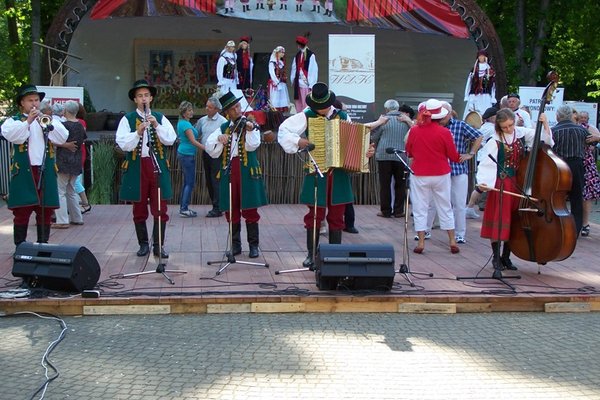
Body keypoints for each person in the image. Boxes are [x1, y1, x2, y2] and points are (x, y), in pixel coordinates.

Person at [278, 82, 374, 268]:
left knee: (337, 215)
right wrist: (300, 141)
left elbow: (353, 142)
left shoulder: (343, 116)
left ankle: (335, 255)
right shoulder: (305, 116)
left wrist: (366, 152)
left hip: (338, 173)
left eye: (322, 107)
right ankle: (311, 254)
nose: (320, 110)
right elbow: (283, 131)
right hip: (316, 171)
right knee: (315, 214)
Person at [476, 108, 553, 272]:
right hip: (502, 185)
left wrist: (545, 123)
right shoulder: (494, 140)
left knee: (515, 221)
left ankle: (506, 257)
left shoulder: (522, 133)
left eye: (510, 125)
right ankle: (496, 258)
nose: (508, 129)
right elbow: (486, 163)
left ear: (515, 121)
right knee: (500, 221)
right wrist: (483, 182)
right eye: (504, 127)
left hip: (519, 183)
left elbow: (546, 141)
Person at [1, 84, 69, 247]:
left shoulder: (48, 120)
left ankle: (42, 244)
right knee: (22, 210)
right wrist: (29, 121)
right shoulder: (13, 121)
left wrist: (45, 122)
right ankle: (21, 246)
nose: (34, 104)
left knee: (45, 210)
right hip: (24, 171)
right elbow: (13, 136)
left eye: (36, 100)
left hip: (45, 170)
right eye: (30, 100)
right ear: (22, 103)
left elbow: (62, 137)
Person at [116, 79, 177, 259]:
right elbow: (123, 143)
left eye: (146, 96)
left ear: (151, 98)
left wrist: (156, 126)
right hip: (137, 166)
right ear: (135, 99)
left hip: (157, 166)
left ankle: (158, 245)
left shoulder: (159, 117)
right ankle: (143, 244)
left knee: (160, 208)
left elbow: (170, 139)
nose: (143, 99)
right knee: (139, 208)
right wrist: (138, 132)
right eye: (140, 96)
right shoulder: (127, 119)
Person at [206, 91, 268, 258]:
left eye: (239, 106)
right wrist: (220, 138)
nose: (238, 110)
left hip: (247, 170)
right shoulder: (224, 127)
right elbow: (210, 148)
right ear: (227, 112)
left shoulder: (249, 123)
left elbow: (253, 144)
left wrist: (249, 129)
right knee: (231, 209)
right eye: (234, 108)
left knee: (250, 207)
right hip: (229, 171)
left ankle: (253, 245)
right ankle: (235, 246)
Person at [405, 99, 462, 254]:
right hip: (441, 172)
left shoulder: (415, 130)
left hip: (420, 172)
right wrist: (461, 157)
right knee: (445, 206)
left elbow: (409, 151)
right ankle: (451, 240)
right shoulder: (445, 132)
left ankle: (421, 241)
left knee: (420, 207)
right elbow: (453, 155)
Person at [425, 101, 483, 244]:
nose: (440, 117)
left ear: (449, 113)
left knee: (458, 203)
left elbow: (479, 136)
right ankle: (425, 230)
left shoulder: (459, 125)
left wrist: (471, 153)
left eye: (443, 114)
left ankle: (460, 234)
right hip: (438, 170)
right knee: (432, 202)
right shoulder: (433, 126)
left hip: (457, 169)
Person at [551, 104, 597, 236]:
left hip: (559, 166)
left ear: (558, 116)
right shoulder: (581, 130)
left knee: (556, 197)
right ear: (571, 116)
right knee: (577, 198)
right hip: (577, 166)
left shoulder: (554, 131)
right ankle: (575, 231)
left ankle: (557, 227)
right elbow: (592, 142)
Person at [370, 100, 414, 218]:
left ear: (386, 109)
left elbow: (374, 137)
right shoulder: (405, 120)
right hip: (401, 155)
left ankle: (386, 211)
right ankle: (399, 211)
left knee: (385, 184)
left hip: (384, 155)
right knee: (401, 184)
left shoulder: (383, 120)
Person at [53, 100, 86, 229]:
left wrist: (62, 145)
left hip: (64, 160)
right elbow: (82, 138)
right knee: (71, 190)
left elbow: (56, 140)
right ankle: (77, 217)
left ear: (65, 111)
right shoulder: (80, 125)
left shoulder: (63, 125)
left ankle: (62, 220)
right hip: (76, 160)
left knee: (60, 191)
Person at [196, 96, 227, 218]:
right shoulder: (202, 120)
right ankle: (215, 205)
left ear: (217, 109)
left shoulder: (223, 121)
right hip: (206, 153)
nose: (207, 109)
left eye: (210, 107)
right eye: (206, 106)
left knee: (216, 180)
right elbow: (195, 132)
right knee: (209, 180)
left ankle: (218, 207)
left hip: (218, 154)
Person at [466, 106, 498, 219]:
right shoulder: (491, 129)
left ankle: (472, 207)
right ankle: (472, 207)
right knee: (483, 186)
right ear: (491, 117)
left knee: (483, 185)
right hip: (489, 158)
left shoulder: (484, 127)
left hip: (483, 157)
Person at [176, 101, 204, 218]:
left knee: (187, 181)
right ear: (183, 113)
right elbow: (193, 141)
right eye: (189, 110)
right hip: (187, 154)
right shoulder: (185, 125)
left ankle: (184, 206)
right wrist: (206, 148)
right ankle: (184, 208)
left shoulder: (184, 123)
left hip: (185, 153)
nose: (191, 112)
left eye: (191, 109)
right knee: (189, 182)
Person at [577, 111, 600, 236]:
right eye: (581, 118)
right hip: (576, 161)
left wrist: (595, 141)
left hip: (587, 163)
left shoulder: (592, 128)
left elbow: (595, 143)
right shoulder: (574, 127)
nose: (583, 120)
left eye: (585, 118)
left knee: (587, 195)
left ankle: (585, 223)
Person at [463, 49, 496, 119]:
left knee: (485, 111)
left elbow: (493, 85)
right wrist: (466, 95)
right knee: (472, 111)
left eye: (482, 56)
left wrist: (493, 97)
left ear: (485, 57)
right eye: (479, 56)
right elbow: (469, 83)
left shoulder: (489, 69)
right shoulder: (474, 69)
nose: (481, 58)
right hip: (474, 94)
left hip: (485, 94)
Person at [290, 35, 318, 113]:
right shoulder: (298, 55)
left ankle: (306, 118)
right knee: (299, 103)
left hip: (306, 83)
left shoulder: (310, 55)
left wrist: (311, 84)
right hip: (298, 83)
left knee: (306, 103)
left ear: (299, 45)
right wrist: (293, 80)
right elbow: (294, 68)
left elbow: (313, 70)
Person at [268, 46, 290, 112]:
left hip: (282, 83)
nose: (283, 54)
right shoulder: (272, 62)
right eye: (281, 52)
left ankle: (281, 113)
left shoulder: (281, 62)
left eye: (283, 52)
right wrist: (277, 82)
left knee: (282, 100)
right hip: (276, 84)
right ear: (277, 53)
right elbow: (272, 73)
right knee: (275, 99)